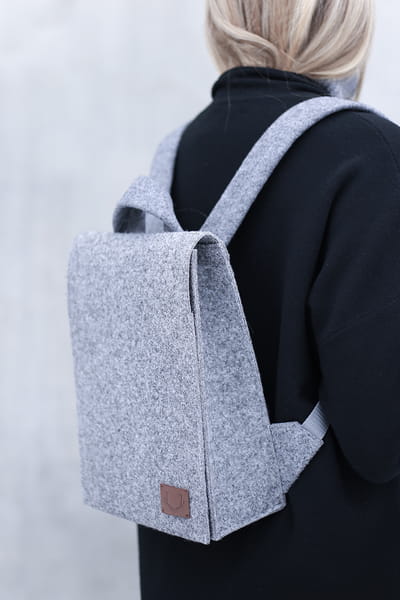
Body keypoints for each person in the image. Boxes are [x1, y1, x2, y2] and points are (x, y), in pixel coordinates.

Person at [138, 1, 400, 598]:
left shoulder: (172, 157)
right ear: (345, 22)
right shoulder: (373, 156)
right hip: (331, 571)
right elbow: (381, 442)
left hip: (179, 569)